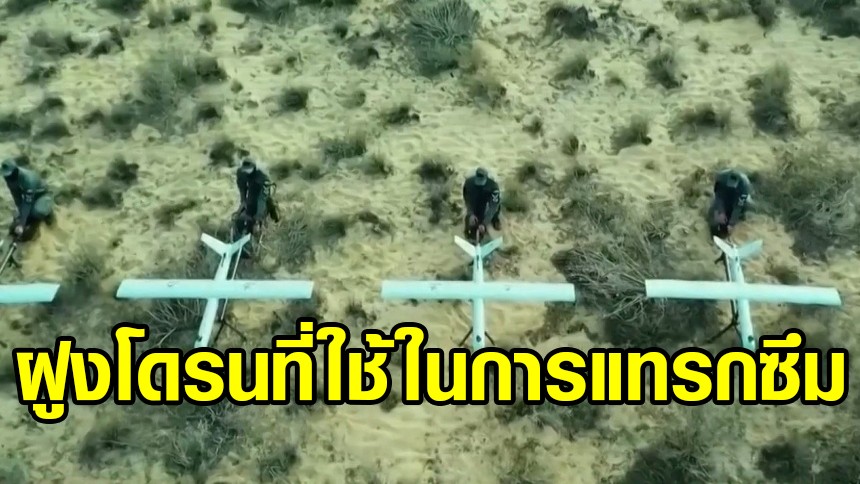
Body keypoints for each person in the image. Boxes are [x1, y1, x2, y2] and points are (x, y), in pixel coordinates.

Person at [234, 157, 279, 257]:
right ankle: (239, 242)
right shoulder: (241, 173)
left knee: (256, 220)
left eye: (248, 168)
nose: (246, 171)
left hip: (262, 197)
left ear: (254, 167)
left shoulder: (263, 179)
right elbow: (242, 187)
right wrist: (243, 202)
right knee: (240, 219)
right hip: (251, 195)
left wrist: (258, 219)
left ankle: (275, 221)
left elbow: (262, 199)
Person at [2, 158, 54, 242]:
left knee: (36, 212)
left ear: (15, 172)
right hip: (28, 196)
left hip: (42, 195)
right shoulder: (10, 179)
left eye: (9, 176)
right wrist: (21, 214)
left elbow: (27, 203)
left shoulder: (28, 180)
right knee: (20, 217)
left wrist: (21, 224)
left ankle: (47, 212)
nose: (7, 179)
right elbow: (17, 197)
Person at [462, 167, 502, 243]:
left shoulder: (494, 187)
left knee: (494, 211)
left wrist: (485, 223)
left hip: (488, 197)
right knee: (472, 220)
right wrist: (471, 213)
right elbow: (467, 200)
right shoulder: (468, 183)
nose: (480, 183)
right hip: (476, 197)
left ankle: (495, 219)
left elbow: (493, 206)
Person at [709, 168, 752, 238]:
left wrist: (732, 223)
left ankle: (740, 216)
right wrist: (721, 211)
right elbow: (718, 196)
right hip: (725, 194)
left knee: (747, 204)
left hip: (738, 195)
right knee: (716, 210)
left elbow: (738, 206)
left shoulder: (745, 185)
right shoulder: (721, 178)